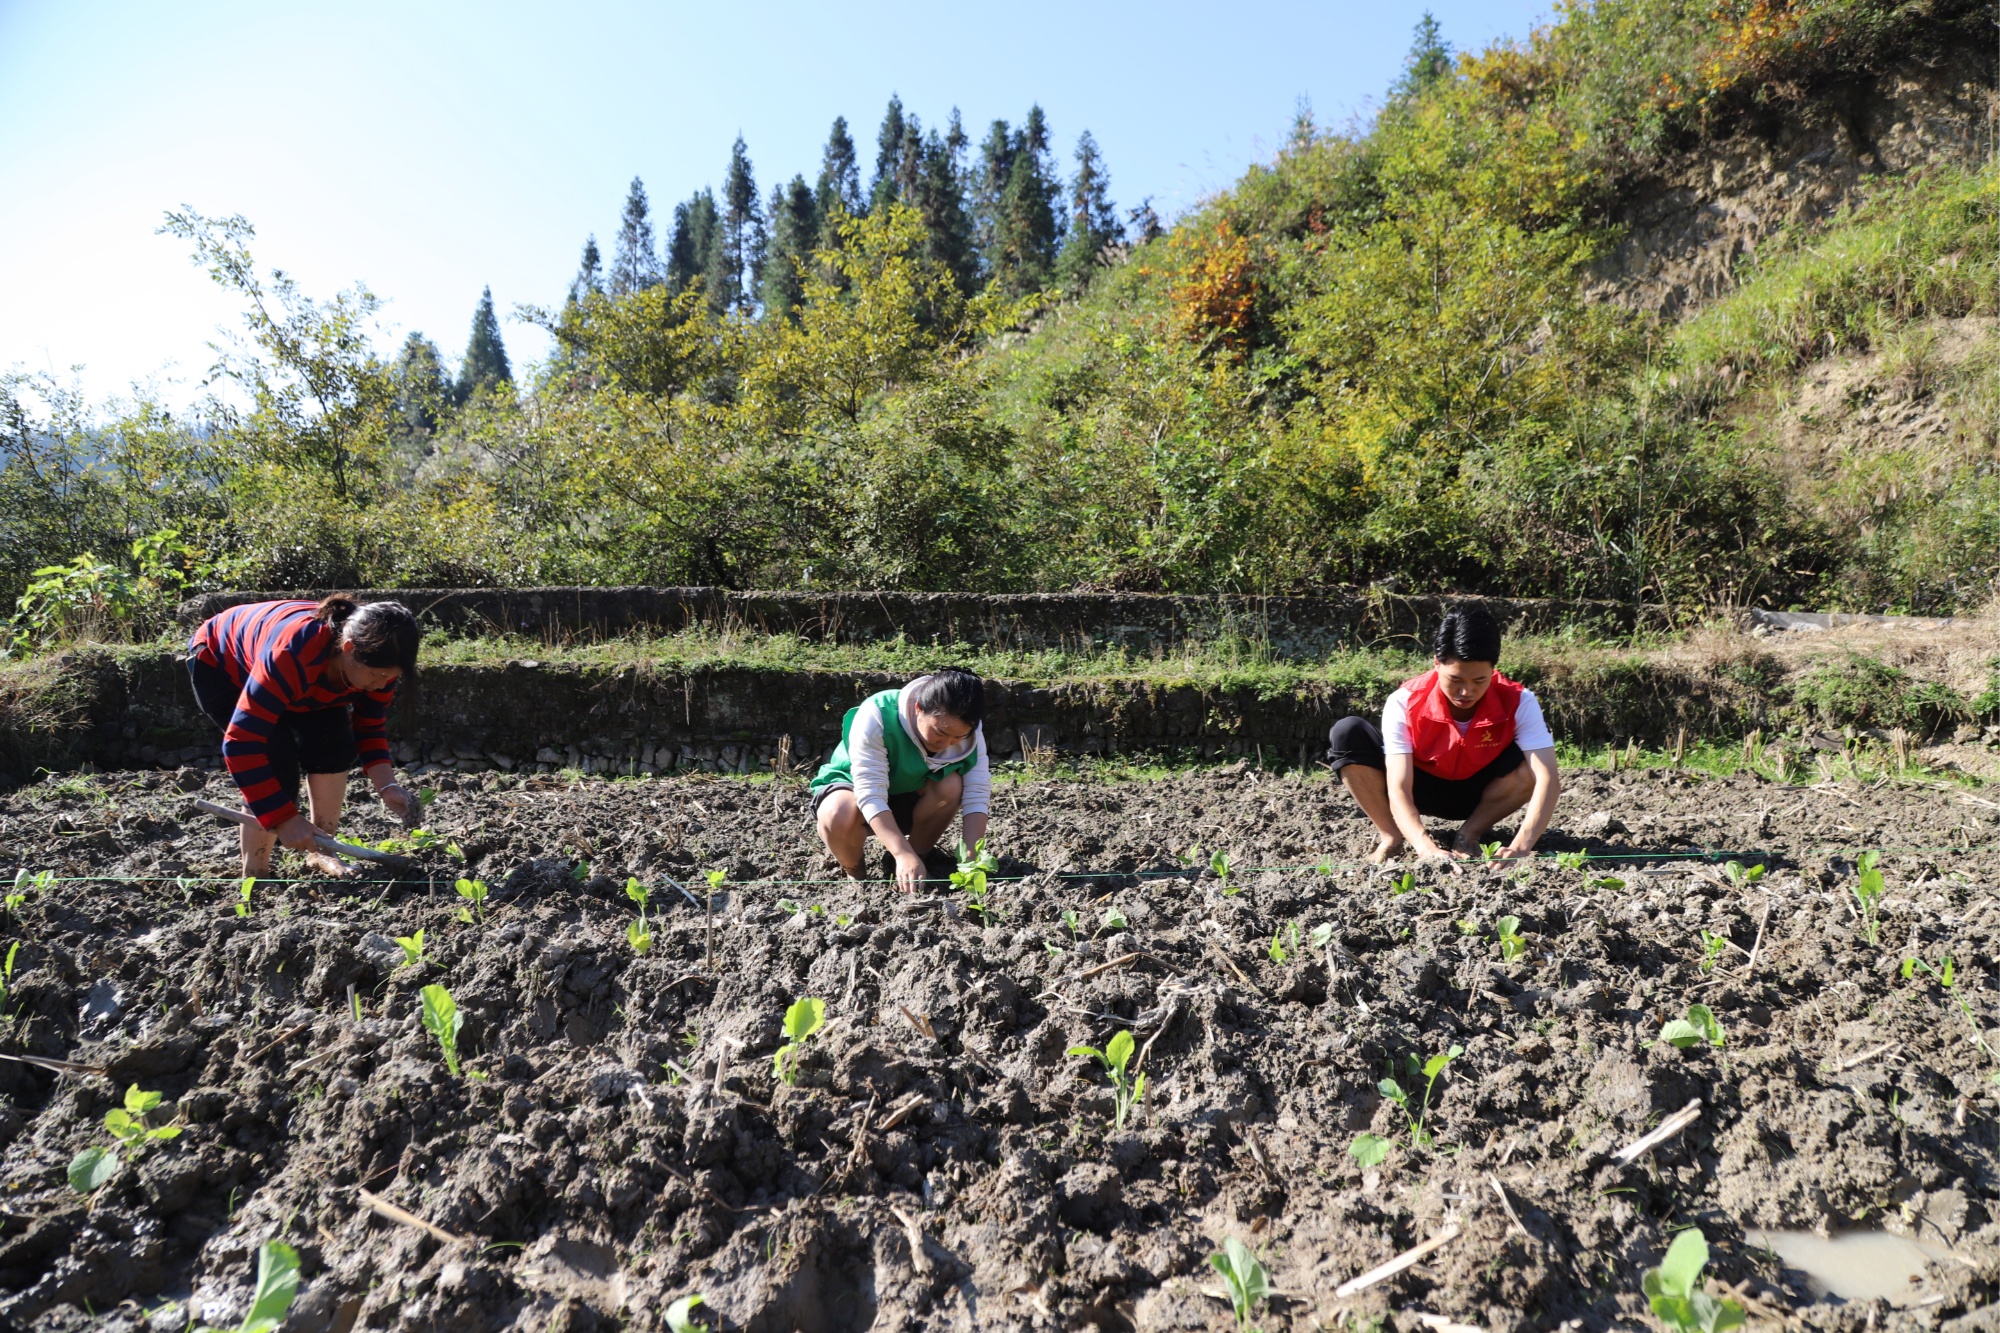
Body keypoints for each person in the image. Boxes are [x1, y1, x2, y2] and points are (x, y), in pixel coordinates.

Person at [188, 595, 421, 878]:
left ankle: (322, 852)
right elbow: (242, 744)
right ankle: (255, 874)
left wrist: (387, 786)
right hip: (223, 664)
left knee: (333, 744)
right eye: (378, 675)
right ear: (348, 648)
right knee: (275, 755)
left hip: (305, 673)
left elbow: (369, 724)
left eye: (390, 677)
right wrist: (284, 818)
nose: (382, 684)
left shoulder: (379, 660)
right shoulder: (290, 653)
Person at [1327, 606, 1560, 863]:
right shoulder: (1404, 701)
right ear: (1436, 663)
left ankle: (1469, 833)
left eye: (1479, 681)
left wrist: (1521, 847)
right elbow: (1399, 786)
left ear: (1494, 669)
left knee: (1535, 762)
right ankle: (1392, 837)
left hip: (1482, 793)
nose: (1466, 692)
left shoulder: (1520, 700)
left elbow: (1547, 778)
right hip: (1421, 787)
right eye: (1455, 679)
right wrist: (1425, 847)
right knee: (1347, 732)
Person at [811, 668, 990, 890]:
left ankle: (916, 860)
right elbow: (870, 793)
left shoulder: (971, 733)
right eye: (940, 733)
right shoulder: (878, 714)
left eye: (958, 737)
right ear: (918, 709)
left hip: (910, 796)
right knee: (838, 811)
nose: (947, 744)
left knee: (950, 786)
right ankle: (856, 872)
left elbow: (977, 795)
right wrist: (901, 852)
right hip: (854, 792)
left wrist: (971, 860)